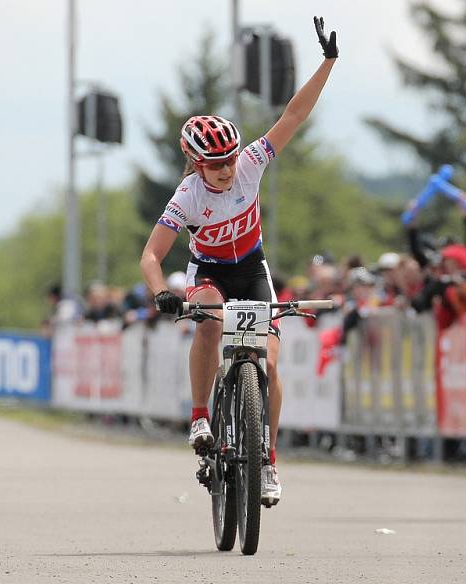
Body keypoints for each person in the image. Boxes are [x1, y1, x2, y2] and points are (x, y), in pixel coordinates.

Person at [140, 16, 339, 507]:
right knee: (208, 321)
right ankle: (200, 416)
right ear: (195, 163)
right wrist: (161, 293)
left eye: (230, 158)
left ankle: (268, 460)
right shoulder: (187, 197)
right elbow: (151, 255)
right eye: (216, 163)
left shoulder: (251, 163)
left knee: (268, 363)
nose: (228, 168)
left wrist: (328, 63)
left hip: (253, 268)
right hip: (209, 272)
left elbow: (293, 115)